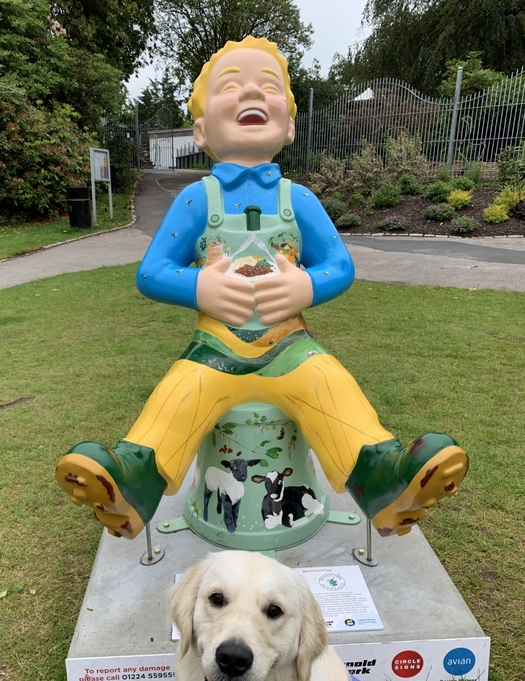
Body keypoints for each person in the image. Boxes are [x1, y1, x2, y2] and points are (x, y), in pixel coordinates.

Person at [56, 37, 468, 540]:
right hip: (216, 350)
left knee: (332, 388)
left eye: (269, 86)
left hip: (289, 347)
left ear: (289, 125)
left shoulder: (300, 200)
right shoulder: (195, 199)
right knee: (177, 396)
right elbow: (152, 271)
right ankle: (131, 482)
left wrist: (307, 287)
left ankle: (385, 480)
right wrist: (199, 286)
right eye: (232, 85)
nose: (252, 92)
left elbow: (339, 264)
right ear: (202, 129)